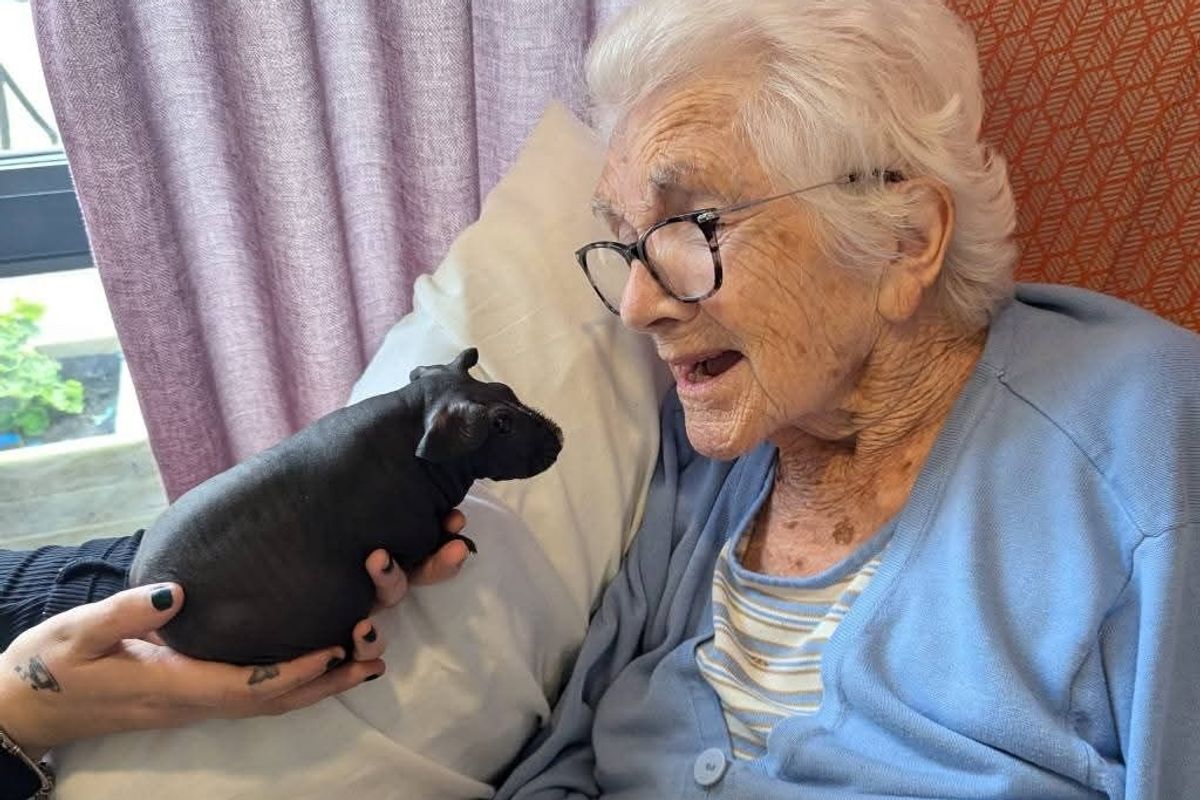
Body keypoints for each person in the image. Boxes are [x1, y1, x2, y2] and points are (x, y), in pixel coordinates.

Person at [2, 0, 1198, 798]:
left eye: (689, 227)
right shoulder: (706, 470)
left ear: (901, 238)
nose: (635, 304)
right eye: (623, 245)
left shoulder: (1144, 444)